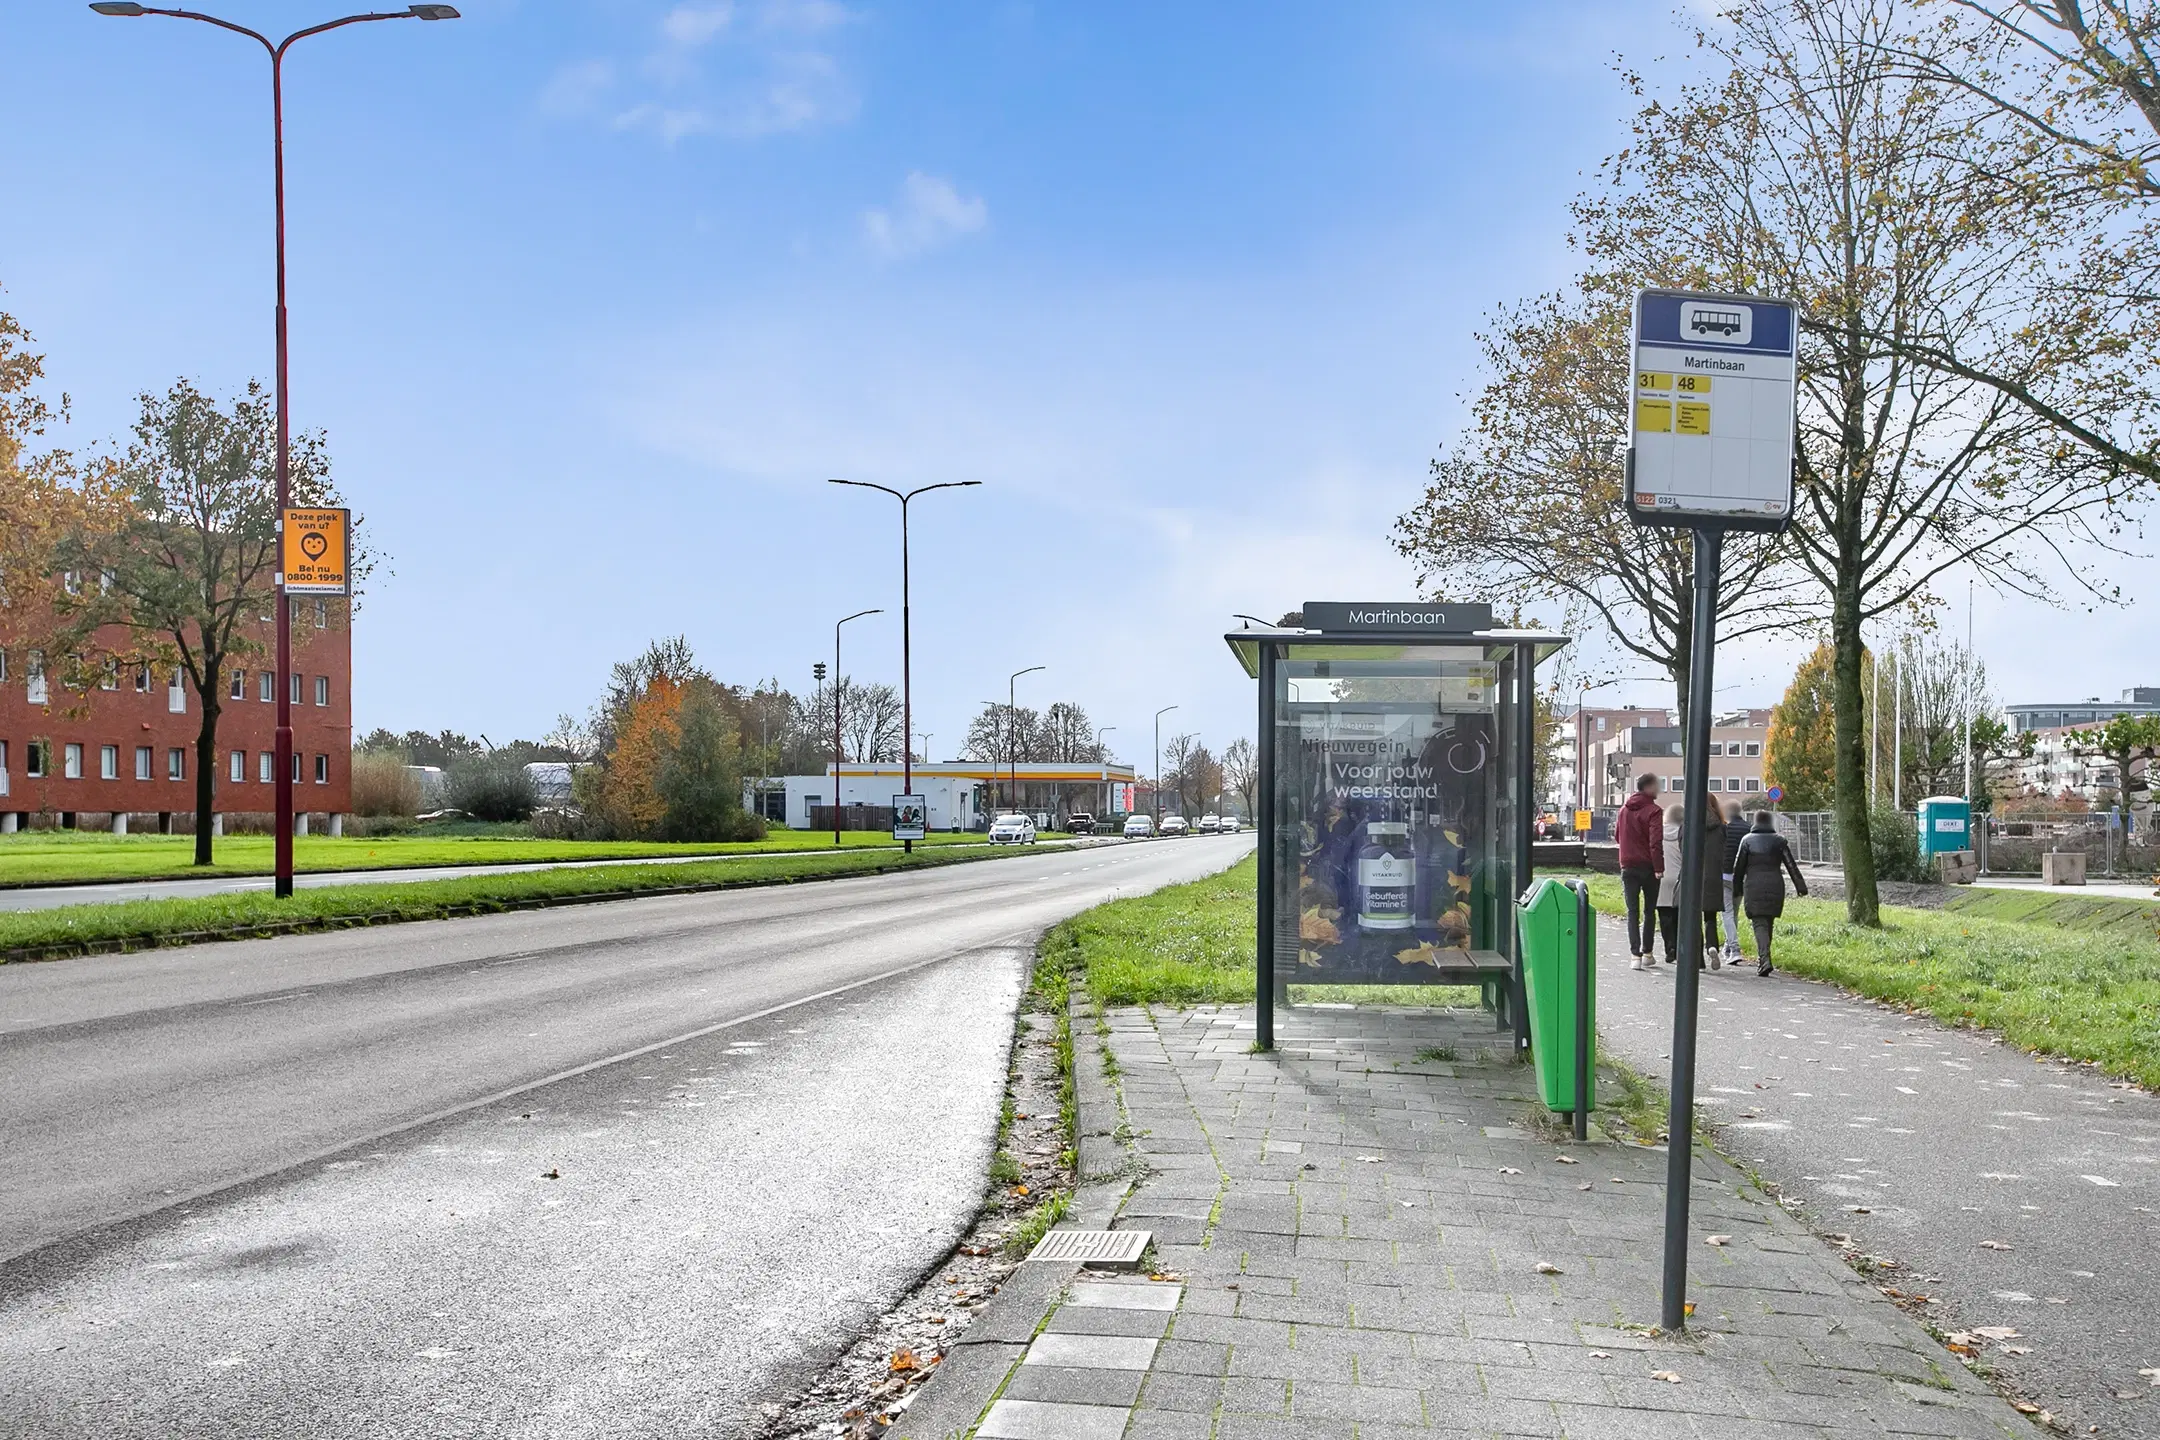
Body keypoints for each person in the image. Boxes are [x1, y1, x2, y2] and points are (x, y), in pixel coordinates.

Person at [1732, 810, 1807, 976]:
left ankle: (1764, 959)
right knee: (1768, 921)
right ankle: (1764, 958)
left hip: (1753, 885)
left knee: (1759, 923)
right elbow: (1791, 865)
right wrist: (1800, 886)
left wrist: (1736, 889)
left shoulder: (1747, 841)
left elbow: (1738, 868)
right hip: (1775, 884)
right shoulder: (1779, 841)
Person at [1655, 799, 1724, 969]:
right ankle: (1712, 945)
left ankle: (1698, 960)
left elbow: (1683, 848)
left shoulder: (1688, 826)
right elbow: (1725, 850)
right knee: (1710, 916)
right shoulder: (1721, 827)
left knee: (1693, 918)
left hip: (1692, 875)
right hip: (1713, 876)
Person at [1615, 774, 1664, 970]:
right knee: (1649, 910)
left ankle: (1634, 955)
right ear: (1649, 787)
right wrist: (1659, 867)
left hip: (1627, 865)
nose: (1659, 789)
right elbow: (1655, 842)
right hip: (1648, 867)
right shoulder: (1654, 811)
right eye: (1657, 786)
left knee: (1632, 911)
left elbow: (1618, 836)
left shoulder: (1623, 810)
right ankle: (1647, 952)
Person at [1720, 800, 1749, 962]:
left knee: (1727, 913)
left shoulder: (1725, 829)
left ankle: (1734, 948)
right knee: (1735, 912)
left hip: (1725, 876)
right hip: (1742, 877)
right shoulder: (1749, 828)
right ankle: (1728, 946)